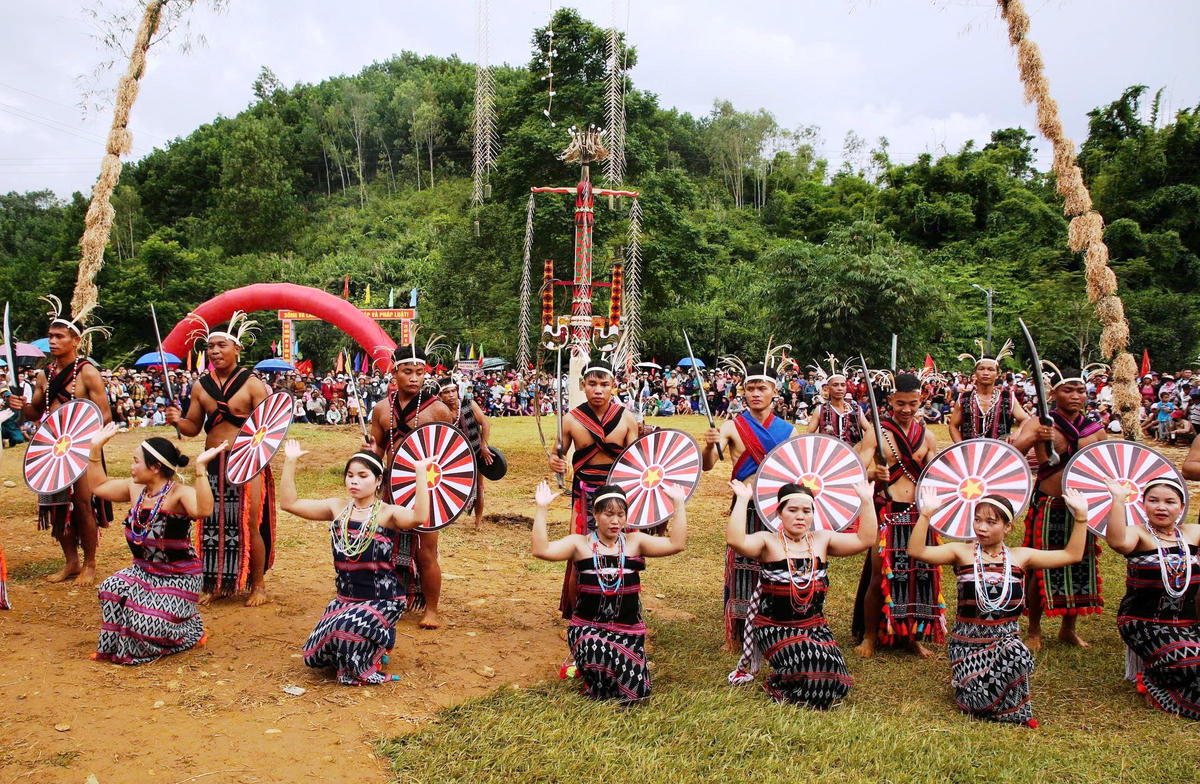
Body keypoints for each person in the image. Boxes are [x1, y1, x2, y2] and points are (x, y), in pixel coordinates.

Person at [908, 487, 1092, 726]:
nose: (981, 527)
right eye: (977, 520)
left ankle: (1000, 697)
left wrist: (1081, 517)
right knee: (977, 704)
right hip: (968, 644)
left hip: (1005, 640)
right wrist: (925, 515)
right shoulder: (961, 552)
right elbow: (916, 551)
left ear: (1008, 527)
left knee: (1018, 654)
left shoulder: (1020, 557)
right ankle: (974, 690)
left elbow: (1072, 555)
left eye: (991, 522)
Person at [279, 439, 431, 685]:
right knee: (315, 656)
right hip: (346, 599)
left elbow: (419, 517)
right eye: (350, 475)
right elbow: (289, 504)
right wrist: (290, 461)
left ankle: (375, 648)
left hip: (384, 600)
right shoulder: (337, 508)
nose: (354, 481)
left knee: (345, 629)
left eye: (362, 476)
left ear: (378, 480)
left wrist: (420, 473)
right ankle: (373, 641)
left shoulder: (387, 513)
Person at [531, 479, 687, 704]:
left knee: (638, 694)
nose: (615, 521)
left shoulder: (635, 542)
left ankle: (609, 672)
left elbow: (676, 544)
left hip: (628, 632)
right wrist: (541, 508)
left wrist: (678, 504)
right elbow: (541, 550)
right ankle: (592, 673)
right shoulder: (580, 544)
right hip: (588, 630)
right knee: (599, 653)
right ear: (595, 514)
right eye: (608, 514)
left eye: (621, 515)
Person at [726, 479, 877, 708]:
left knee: (834, 677)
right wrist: (743, 500)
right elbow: (735, 540)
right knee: (811, 665)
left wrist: (866, 501)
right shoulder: (768, 541)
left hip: (814, 626)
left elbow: (865, 539)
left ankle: (812, 667)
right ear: (779, 513)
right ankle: (779, 683)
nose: (800, 517)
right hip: (775, 626)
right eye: (793, 510)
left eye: (807, 511)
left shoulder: (822, 540)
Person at [86, 423, 228, 664]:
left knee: (145, 623)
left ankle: (190, 632)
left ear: (155, 467)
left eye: (136, 461)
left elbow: (203, 510)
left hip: (178, 577)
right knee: (111, 588)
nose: (132, 467)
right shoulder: (136, 489)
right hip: (143, 572)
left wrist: (201, 469)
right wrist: (94, 448)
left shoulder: (179, 494)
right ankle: (121, 641)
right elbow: (99, 486)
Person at [165, 312, 274, 606]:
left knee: (249, 523)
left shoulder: (252, 384)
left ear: (237, 349)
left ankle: (258, 585)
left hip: (247, 461)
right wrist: (177, 420)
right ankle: (216, 583)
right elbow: (192, 427)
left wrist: (257, 459)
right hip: (213, 461)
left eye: (221, 345)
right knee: (212, 524)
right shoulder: (201, 386)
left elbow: (268, 426)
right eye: (210, 346)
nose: (214, 351)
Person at [8, 296, 114, 585]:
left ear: (75, 340)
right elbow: (35, 412)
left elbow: (104, 416)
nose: (52, 341)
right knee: (56, 507)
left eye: (59, 336)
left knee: (82, 504)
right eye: (50, 336)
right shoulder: (45, 374)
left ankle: (90, 563)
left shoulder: (88, 372)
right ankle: (71, 562)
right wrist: (21, 405)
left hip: (80, 448)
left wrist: (85, 444)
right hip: (52, 449)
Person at [701, 355, 796, 651]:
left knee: (775, 563)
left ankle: (774, 625)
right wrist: (709, 445)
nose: (755, 393)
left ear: (774, 392)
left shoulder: (789, 431)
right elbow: (707, 465)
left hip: (775, 510)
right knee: (741, 565)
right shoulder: (732, 426)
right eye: (751, 388)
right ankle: (738, 631)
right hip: (744, 506)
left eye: (762, 388)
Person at [1009, 369, 1106, 649]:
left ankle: (1068, 628)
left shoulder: (1095, 430)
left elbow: (1108, 465)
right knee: (1040, 565)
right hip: (1049, 503)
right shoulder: (1038, 422)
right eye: (1068, 390)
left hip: (1082, 508)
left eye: (1080, 390)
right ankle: (1034, 630)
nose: (1075, 396)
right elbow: (1014, 453)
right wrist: (1034, 437)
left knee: (1079, 564)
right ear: (1054, 393)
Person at [852, 373, 942, 658]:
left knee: (919, 576)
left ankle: (912, 637)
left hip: (918, 513)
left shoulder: (928, 437)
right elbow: (855, 471)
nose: (906, 409)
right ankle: (869, 636)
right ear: (890, 400)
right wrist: (873, 474)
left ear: (921, 400)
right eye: (900, 403)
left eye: (913, 403)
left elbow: (935, 476)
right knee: (879, 576)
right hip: (887, 510)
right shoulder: (877, 433)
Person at [366, 340, 454, 629]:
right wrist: (370, 453)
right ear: (394, 373)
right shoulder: (381, 409)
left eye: (419, 372)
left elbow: (451, 454)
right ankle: (389, 599)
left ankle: (432, 609)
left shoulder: (438, 410)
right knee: (384, 545)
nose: (414, 378)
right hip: (392, 485)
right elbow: (379, 449)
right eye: (407, 372)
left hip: (426, 488)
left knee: (426, 551)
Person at [547, 358, 640, 618]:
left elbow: (636, 463)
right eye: (592, 384)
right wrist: (555, 462)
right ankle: (579, 618)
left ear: (613, 386)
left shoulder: (627, 419)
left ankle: (624, 614)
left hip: (619, 497)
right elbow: (557, 454)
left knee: (624, 555)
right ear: (583, 385)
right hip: (584, 495)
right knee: (581, 556)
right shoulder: (570, 420)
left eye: (604, 384)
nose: (598, 390)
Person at [1102, 476, 1200, 719]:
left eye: (1170, 502)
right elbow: (1117, 542)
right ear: (1143, 504)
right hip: (1144, 622)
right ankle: (1153, 682)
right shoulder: (1138, 534)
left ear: (1182, 506)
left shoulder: (1192, 533)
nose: (1161, 507)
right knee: (1189, 660)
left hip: (1187, 622)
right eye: (1153, 501)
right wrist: (1118, 500)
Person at [438, 377, 494, 528]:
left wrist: (484, 445)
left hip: (476, 451)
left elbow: (485, 423)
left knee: (479, 486)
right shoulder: (440, 411)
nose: (451, 395)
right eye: (446, 392)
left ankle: (478, 521)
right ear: (440, 396)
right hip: (453, 457)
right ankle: (448, 517)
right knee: (448, 486)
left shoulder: (469, 404)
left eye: (453, 391)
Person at [949, 342, 1028, 443]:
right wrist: (962, 447)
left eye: (991, 370)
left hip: (1000, 450)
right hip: (970, 450)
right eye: (981, 369)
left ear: (997, 374)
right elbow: (953, 426)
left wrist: (1018, 433)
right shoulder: (964, 398)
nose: (986, 373)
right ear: (975, 373)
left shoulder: (1008, 397)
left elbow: (1026, 419)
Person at [806, 372, 867, 445]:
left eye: (843, 385)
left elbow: (870, 432)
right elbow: (808, 435)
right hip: (828, 451)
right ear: (828, 388)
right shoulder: (820, 410)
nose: (840, 388)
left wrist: (862, 448)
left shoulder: (857, 409)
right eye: (835, 385)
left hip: (853, 451)